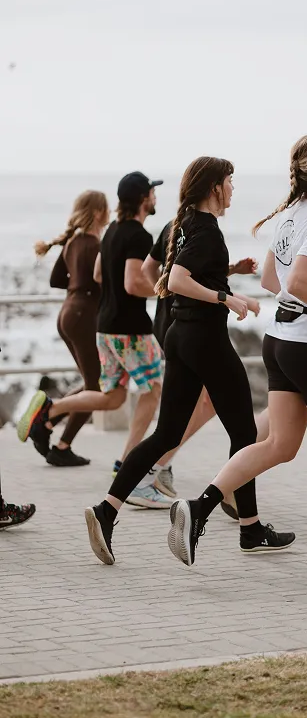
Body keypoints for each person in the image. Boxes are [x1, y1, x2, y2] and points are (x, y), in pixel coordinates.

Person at [166, 134, 307, 579]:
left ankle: (199, 507)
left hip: (280, 340)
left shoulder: (291, 217)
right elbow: (302, 282)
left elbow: (273, 279)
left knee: (278, 445)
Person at [84, 156, 295, 565]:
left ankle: (106, 510)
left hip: (179, 334)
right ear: (215, 187)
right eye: (230, 181)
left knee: (167, 433)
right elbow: (178, 279)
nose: (233, 188)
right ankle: (240, 526)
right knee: (245, 433)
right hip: (204, 338)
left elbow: (168, 276)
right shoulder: (207, 230)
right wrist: (227, 297)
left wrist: (225, 279)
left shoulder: (181, 226)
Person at [17, 172, 172, 508]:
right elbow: (133, 283)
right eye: (152, 193)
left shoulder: (112, 232)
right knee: (153, 389)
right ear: (143, 198)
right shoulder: (137, 235)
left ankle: (52, 408)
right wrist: (167, 288)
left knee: (113, 397)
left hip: (105, 326)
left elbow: (101, 274)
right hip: (131, 329)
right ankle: (128, 463)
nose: (156, 198)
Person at [139, 220, 259, 508]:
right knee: (200, 410)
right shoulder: (200, 229)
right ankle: (153, 473)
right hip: (190, 329)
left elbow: (154, 270)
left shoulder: (174, 226)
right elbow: (183, 276)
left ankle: (157, 471)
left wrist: (230, 271)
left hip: (172, 326)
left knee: (194, 410)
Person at [32, 190, 109, 466]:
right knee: (96, 387)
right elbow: (104, 282)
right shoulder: (94, 244)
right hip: (84, 315)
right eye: (107, 208)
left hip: (68, 313)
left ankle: (48, 422)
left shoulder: (72, 243)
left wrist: (77, 287)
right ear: (99, 212)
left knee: (94, 383)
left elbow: (56, 279)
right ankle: (54, 433)